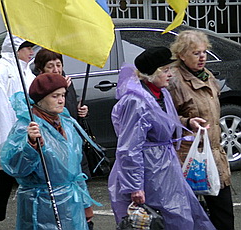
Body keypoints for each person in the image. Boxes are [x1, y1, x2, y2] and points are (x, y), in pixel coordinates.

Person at [108, 47, 216, 230]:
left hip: (164, 166)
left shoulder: (160, 93)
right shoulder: (136, 101)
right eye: (165, 70)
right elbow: (129, 147)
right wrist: (135, 186)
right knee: (163, 218)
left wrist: (188, 123)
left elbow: (164, 122)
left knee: (181, 215)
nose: (170, 74)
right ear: (152, 73)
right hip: (149, 170)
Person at [0, 73, 97, 230]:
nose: (61, 100)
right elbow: (16, 168)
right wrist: (30, 145)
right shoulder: (26, 126)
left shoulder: (66, 123)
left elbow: (75, 169)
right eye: (55, 96)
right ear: (40, 99)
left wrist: (85, 203)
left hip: (72, 202)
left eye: (63, 95)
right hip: (41, 204)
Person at [168, 30, 234, 230]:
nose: (202, 57)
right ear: (181, 55)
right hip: (188, 158)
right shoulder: (174, 80)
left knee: (224, 214)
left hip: (214, 155)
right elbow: (165, 118)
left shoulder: (208, 76)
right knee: (191, 216)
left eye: (204, 52)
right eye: (196, 53)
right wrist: (187, 122)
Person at [0, 33, 36, 230]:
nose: (31, 51)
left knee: (31, 195)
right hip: (6, 147)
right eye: (27, 47)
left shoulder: (28, 73)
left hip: (27, 143)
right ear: (16, 49)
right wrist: (6, 148)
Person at [34, 49, 91, 178]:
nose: (56, 69)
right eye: (50, 66)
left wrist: (82, 111)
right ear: (41, 69)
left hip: (74, 141)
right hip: (56, 144)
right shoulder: (39, 89)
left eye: (58, 65)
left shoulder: (66, 82)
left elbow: (71, 109)